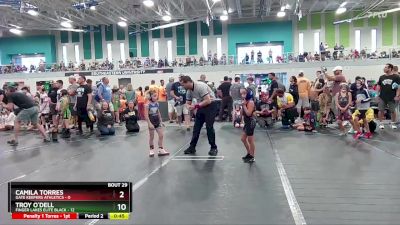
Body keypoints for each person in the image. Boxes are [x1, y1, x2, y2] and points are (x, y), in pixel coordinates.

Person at [181, 75, 218, 156]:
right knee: (196, 128)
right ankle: (192, 147)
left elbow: (208, 100)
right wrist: (189, 107)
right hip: (201, 106)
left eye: (183, 85)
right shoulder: (189, 91)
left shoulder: (200, 86)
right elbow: (187, 103)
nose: (182, 86)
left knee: (209, 127)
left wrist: (195, 106)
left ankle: (213, 148)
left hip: (211, 105)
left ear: (188, 82)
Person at [145, 91, 169, 157]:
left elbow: (158, 113)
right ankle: (151, 150)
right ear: (150, 97)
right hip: (151, 122)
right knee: (151, 137)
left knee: (161, 135)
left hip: (157, 122)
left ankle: (160, 149)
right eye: (154, 96)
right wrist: (149, 124)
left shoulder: (157, 104)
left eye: (156, 95)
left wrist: (161, 121)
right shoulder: (147, 105)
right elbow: (146, 116)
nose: (156, 97)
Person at [376, 63, 400, 129]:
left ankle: (393, 123)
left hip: (392, 97)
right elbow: (378, 86)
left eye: (386, 67)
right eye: (385, 67)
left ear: (390, 68)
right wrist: (377, 95)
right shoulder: (381, 77)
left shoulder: (396, 77)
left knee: (392, 111)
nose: (384, 68)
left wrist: (397, 95)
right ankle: (381, 123)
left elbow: (398, 87)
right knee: (381, 110)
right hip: (382, 97)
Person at [240, 87, 256, 163]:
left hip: (250, 122)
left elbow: (249, 113)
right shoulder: (245, 101)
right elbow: (242, 113)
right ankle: (249, 153)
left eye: (244, 93)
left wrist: (243, 106)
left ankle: (252, 156)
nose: (243, 95)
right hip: (247, 122)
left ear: (248, 94)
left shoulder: (250, 102)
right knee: (243, 139)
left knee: (250, 140)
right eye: (242, 94)